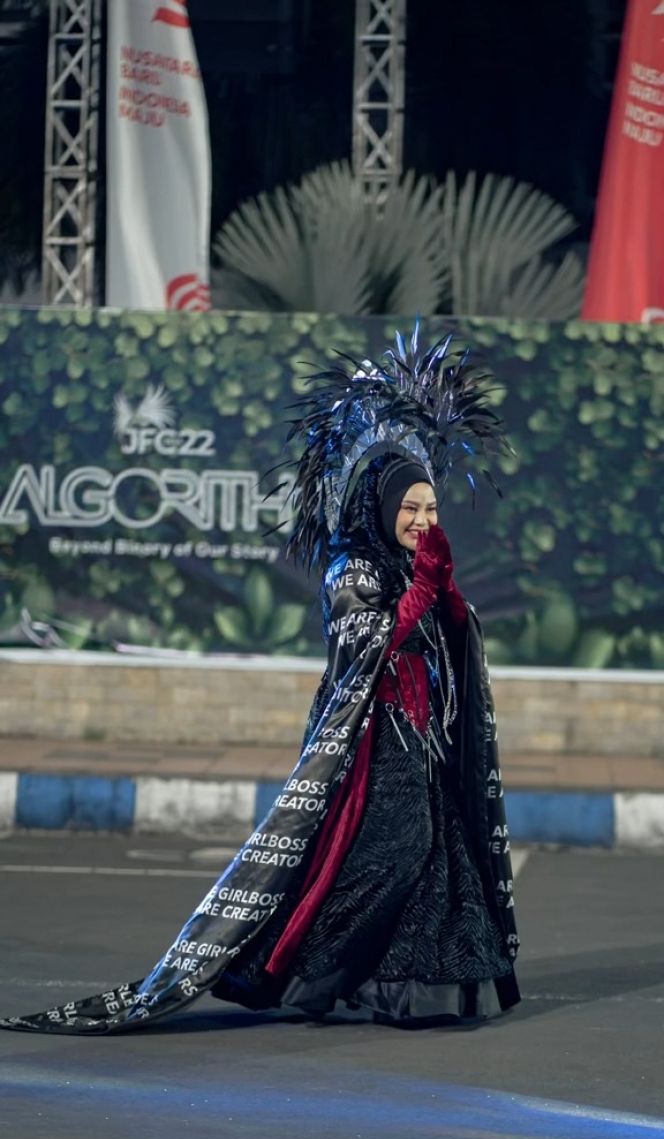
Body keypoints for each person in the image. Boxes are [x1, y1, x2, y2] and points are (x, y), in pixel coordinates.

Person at [0, 328, 519, 1034]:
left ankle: (411, 989)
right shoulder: (352, 571)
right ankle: (307, 971)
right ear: (380, 506)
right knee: (392, 856)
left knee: (434, 856)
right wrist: (423, 594)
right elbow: (365, 648)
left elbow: (448, 645)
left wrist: (449, 599)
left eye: (431, 512)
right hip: (369, 751)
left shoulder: (409, 569)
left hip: (423, 747)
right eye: (411, 510)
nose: (424, 523)